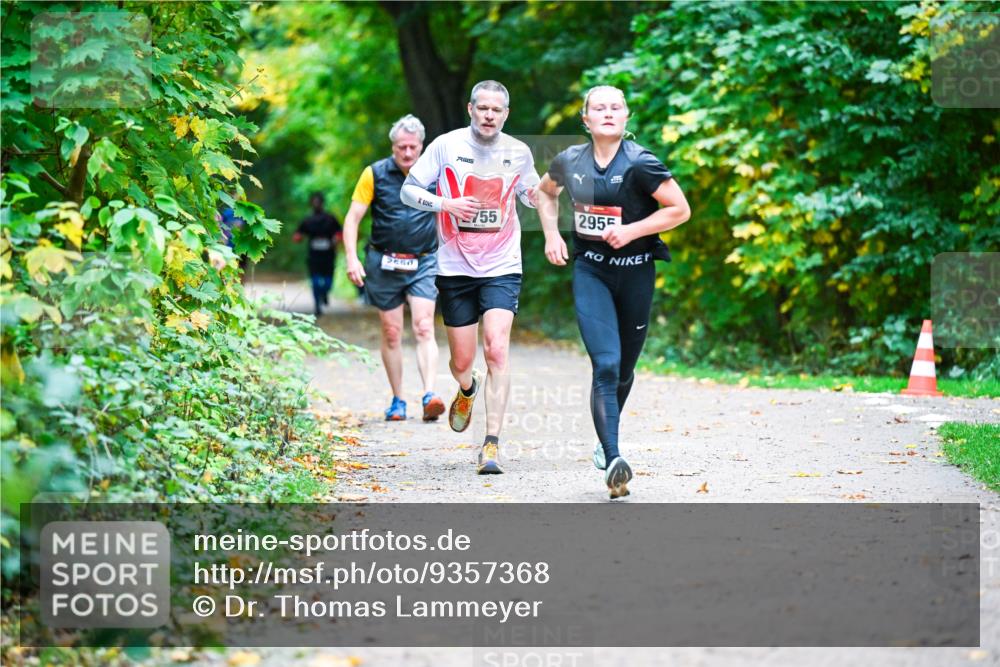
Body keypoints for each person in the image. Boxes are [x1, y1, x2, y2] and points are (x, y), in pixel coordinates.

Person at [536, 85, 691, 498]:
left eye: (615, 107)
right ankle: (614, 456)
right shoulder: (569, 161)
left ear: (626, 118)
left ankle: (607, 442)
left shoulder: (641, 163)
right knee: (605, 364)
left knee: (624, 371)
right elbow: (543, 193)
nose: (608, 113)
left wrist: (633, 231)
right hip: (592, 272)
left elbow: (680, 209)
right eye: (598, 108)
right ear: (585, 120)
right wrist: (551, 235)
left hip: (637, 272)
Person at [400, 80, 540, 475]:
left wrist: (543, 193)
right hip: (454, 266)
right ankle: (467, 387)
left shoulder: (519, 151)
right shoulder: (446, 146)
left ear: (506, 114)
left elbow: (531, 193)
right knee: (461, 361)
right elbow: (410, 191)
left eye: (497, 110)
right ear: (470, 109)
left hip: (502, 265)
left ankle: (491, 444)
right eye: (483, 108)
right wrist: (446, 203)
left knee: (497, 349)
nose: (489, 115)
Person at [342, 114, 445, 422]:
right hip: (384, 262)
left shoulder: (436, 174)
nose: (408, 153)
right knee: (391, 332)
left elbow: (448, 215)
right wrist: (351, 257)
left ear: (422, 146)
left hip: (424, 260)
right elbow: (352, 219)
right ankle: (398, 400)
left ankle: (429, 395)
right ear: (393, 146)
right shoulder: (373, 174)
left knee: (424, 325)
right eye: (402, 147)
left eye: (413, 147)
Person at [293, 193, 342, 317]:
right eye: (314, 202)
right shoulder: (307, 220)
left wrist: (336, 239)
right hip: (313, 255)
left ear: (322, 203)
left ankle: (324, 293)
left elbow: (340, 233)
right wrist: (298, 237)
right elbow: (297, 235)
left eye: (318, 202)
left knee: (328, 281)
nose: (316, 205)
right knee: (315, 281)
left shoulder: (331, 219)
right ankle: (317, 305)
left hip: (329, 254)